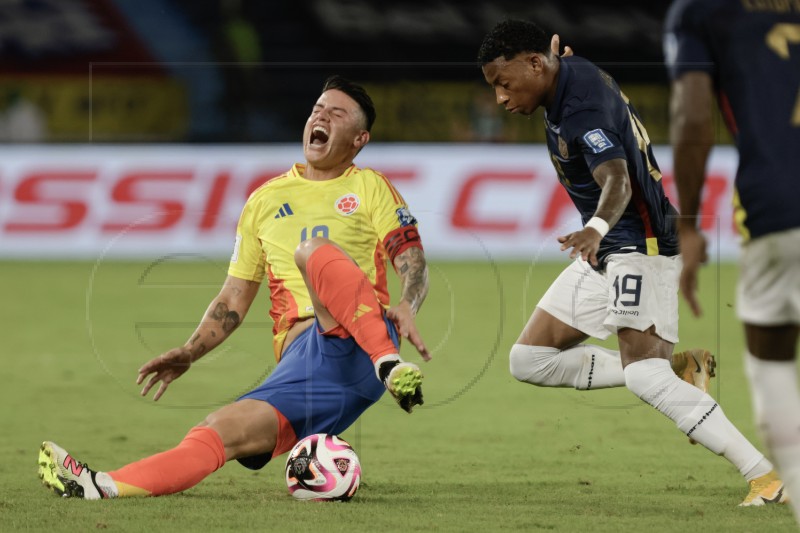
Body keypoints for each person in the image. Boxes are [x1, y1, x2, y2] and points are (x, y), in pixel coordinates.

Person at [37, 75, 430, 499]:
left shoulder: (369, 186)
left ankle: (390, 366)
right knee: (215, 432)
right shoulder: (264, 200)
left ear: (359, 138)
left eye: (337, 114)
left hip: (357, 339)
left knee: (313, 251)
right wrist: (190, 351)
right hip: (304, 369)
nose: (321, 116)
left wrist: (407, 304)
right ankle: (98, 487)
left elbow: (413, 261)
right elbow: (233, 299)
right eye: (317, 109)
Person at [478, 19, 785, 506]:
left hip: (638, 247)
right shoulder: (566, 74)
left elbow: (617, 180)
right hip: (607, 251)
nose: (500, 97)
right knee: (529, 359)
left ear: (536, 64)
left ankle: (767, 478)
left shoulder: (579, 111)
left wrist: (593, 230)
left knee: (646, 376)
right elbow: (566, 70)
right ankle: (682, 367)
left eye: (503, 82)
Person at [666, 0, 800, 518]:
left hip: (779, 204)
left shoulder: (702, 10)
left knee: (774, 365)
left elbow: (694, 114)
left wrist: (691, 224)